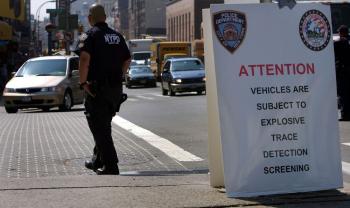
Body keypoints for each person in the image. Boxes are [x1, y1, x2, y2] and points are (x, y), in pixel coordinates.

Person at [78, 4, 131, 175]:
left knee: (99, 127)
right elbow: (127, 60)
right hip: (115, 90)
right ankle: (97, 160)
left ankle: (111, 165)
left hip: (96, 89)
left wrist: (83, 82)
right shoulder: (117, 36)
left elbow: (84, 59)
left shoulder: (89, 35)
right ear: (106, 16)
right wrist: (118, 77)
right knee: (103, 125)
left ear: (90, 18)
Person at [334, 25, 350, 121]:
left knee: (342, 94)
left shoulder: (338, 43)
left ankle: (345, 115)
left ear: (341, 33)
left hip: (342, 71)